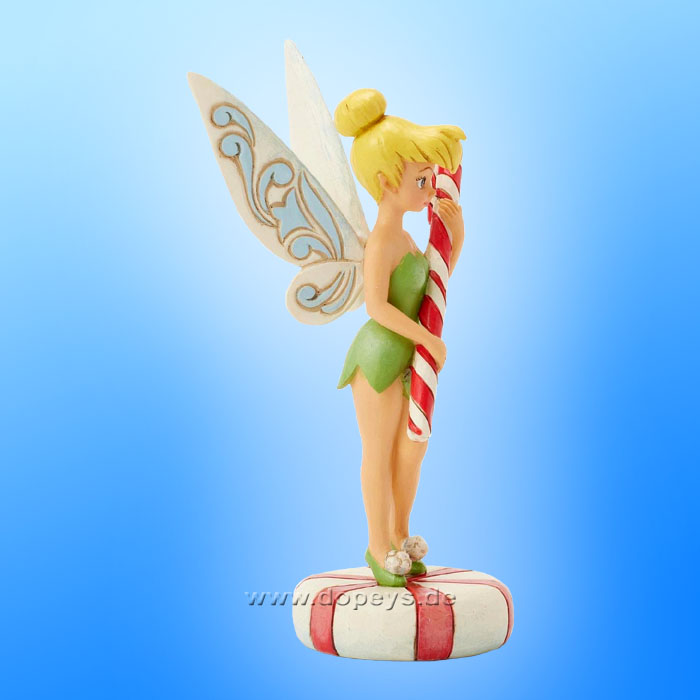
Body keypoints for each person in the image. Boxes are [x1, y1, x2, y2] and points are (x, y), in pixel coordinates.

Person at [335, 89, 466, 586]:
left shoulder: (408, 237)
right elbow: (376, 306)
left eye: (431, 178)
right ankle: (378, 545)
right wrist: (427, 341)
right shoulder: (383, 241)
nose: (430, 188)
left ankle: (400, 532)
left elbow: (431, 284)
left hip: (408, 355)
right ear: (386, 182)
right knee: (379, 451)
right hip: (378, 358)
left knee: (411, 448)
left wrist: (456, 236)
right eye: (421, 179)